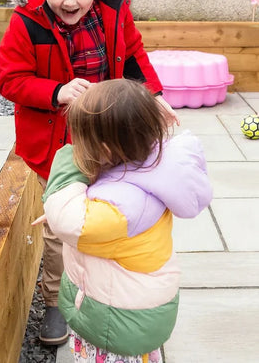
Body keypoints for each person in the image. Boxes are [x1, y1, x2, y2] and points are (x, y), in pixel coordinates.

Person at [0, 0, 178, 345]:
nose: (70, 2)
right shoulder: (26, 23)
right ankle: (56, 303)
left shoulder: (115, 9)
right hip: (58, 144)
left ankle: (105, 292)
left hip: (109, 133)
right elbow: (11, 80)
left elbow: (133, 54)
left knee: (112, 213)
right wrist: (56, 91)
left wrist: (155, 97)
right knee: (63, 226)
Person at [34, 79, 212, 363]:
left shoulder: (121, 207)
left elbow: (71, 221)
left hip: (115, 323)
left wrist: (67, 160)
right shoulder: (146, 168)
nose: (76, 147)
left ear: (105, 151)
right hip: (134, 311)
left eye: (79, 141)